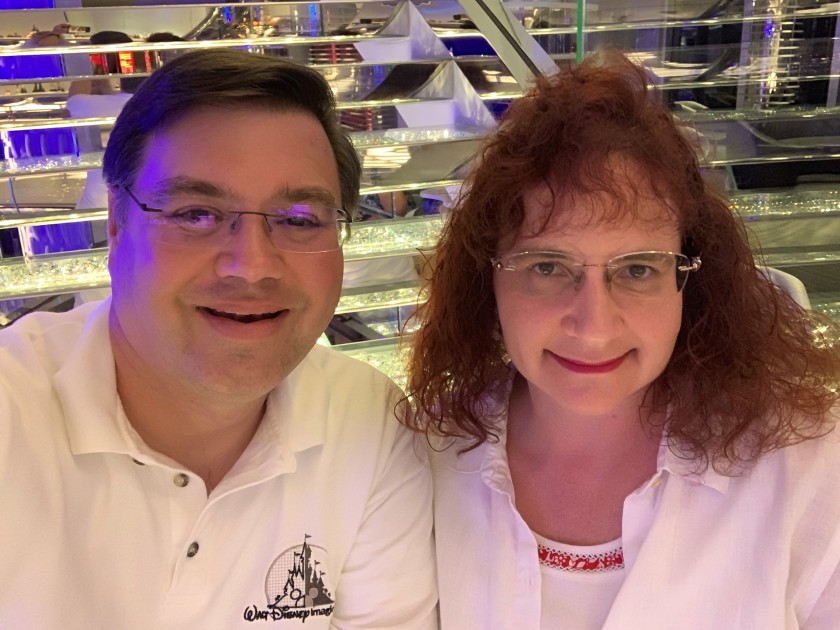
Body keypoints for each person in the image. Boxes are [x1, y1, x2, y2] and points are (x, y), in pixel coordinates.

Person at [0, 49, 436, 629]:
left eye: (300, 219)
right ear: (115, 224)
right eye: (196, 213)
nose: (251, 266)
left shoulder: (369, 423)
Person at [405, 52, 840, 628]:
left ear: (691, 280)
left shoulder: (809, 464)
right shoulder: (422, 460)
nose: (594, 325)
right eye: (545, 267)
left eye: (638, 269)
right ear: (486, 279)